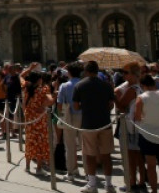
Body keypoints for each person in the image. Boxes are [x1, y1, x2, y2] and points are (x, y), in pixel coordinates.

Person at [73, 60, 117, 193]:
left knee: (89, 155)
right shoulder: (106, 85)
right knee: (106, 155)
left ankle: (92, 184)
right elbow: (111, 105)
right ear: (97, 71)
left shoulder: (80, 85)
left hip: (88, 123)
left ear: (86, 71)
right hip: (105, 123)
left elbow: (76, 106)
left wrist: (85, 106)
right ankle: (109, 184)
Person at [115, 63, 146, 192]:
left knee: (130, 155)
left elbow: (121, 106)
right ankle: (141, 181)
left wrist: (115, 97)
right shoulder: (139, 87)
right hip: (139, 125)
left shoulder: (132, 89)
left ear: (134, 74)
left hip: (130, 126)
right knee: (138, 156)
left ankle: (132, 181)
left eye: (126, 73)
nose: (124, 75)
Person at [22, 65, 53, 174]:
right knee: (40, 143)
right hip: (40, 120)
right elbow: (50, 100)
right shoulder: (43, 89)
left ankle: (27, 166)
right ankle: (39, 168)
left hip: (29, 119)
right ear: (39, 80)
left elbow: (20, 77)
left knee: (30, 141)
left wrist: (29, 69)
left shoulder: (27, 88)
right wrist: (44, 105)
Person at [58, 61, 85, 181]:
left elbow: (59, 104)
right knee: (85, 145)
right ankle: (89, 172)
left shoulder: (64, 86)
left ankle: (71, 171)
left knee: (69, 145)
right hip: (83, 115)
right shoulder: (83, 84)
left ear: (69, 72)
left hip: (69, 116)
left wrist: (60, 116)